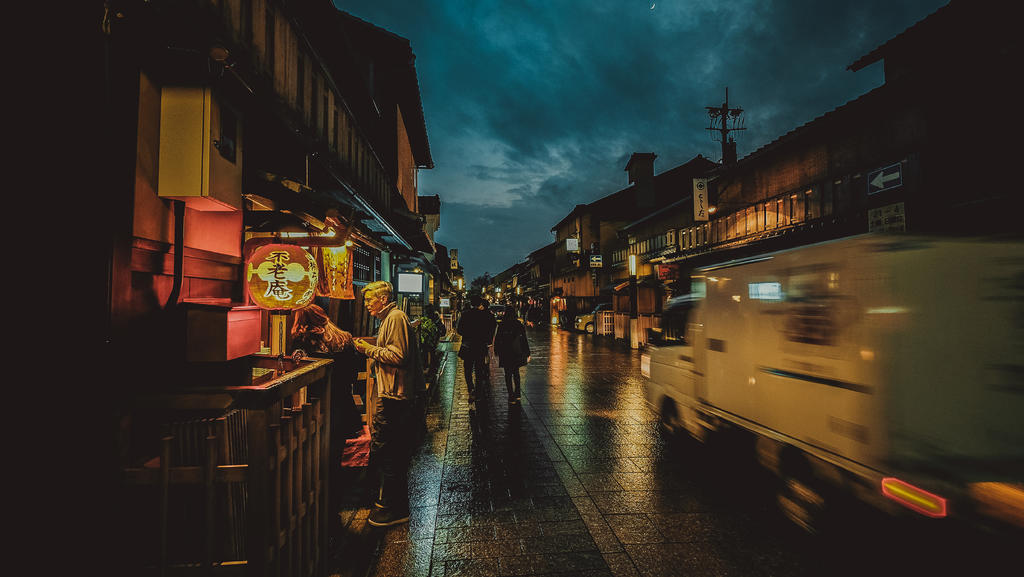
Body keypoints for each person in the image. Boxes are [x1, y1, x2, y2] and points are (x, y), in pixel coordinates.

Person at [352, 281, 424, 527]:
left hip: (396, 395)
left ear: (383, 299)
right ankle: (391, 504)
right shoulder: (391, 319)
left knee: (390, 450)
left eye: (370, 300)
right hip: (394, 393)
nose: (367, 304)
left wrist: (369, 350)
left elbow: (398, 356)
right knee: (391, 450)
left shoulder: (395, 318)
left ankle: (392, 507)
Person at [290, 304, 363, 439]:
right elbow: (353, 371)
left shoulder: (304, 339)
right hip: (344, 402)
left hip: (317, 403)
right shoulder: (344, 337)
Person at [456, 295, 496, 404]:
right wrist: (487, 339)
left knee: (467, 369)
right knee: (479, 370)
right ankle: (478, 394)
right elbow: (492, 326)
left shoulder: (465, 315)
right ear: (480, 304)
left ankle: (471, 389)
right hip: (480, 346)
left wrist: (468, 333)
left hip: (468, 346)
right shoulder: (486, 315)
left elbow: (459, 330)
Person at [493, 306, 530, 405]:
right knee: (516, 373)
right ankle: (517, 394)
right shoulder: (518, 324)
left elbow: (497, 338)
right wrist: (527, 352)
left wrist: (496, 350)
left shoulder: (502, 325)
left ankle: (511, 395)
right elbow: (523, 339)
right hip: (516, 352)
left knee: (508, 374)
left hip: (505, 352)